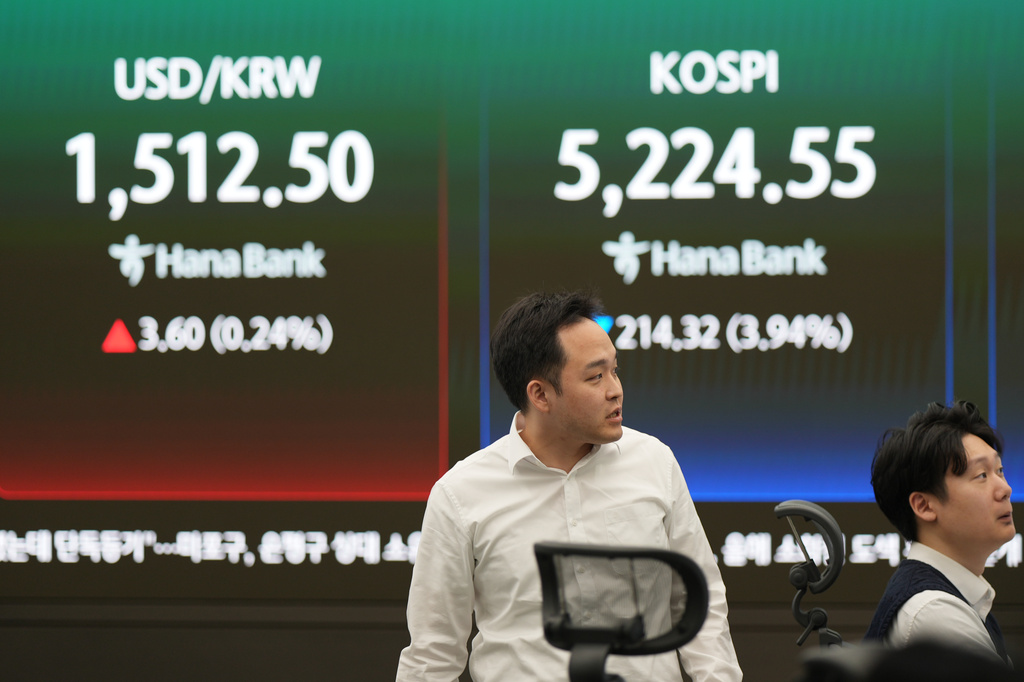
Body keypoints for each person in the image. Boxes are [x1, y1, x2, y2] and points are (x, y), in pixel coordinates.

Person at [396, 290, 742, 681]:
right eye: (595, 376)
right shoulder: (460, 493)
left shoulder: (654, 462)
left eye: (615, 370)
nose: (615, 389)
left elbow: (700, 604)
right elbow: (432, 654)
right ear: (540, 394)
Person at [864, 401, 1014, 664]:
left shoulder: (954, 599)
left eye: (999, 471)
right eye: (981, 475)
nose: (1004, 489)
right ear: (924, 505)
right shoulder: (934, 613)